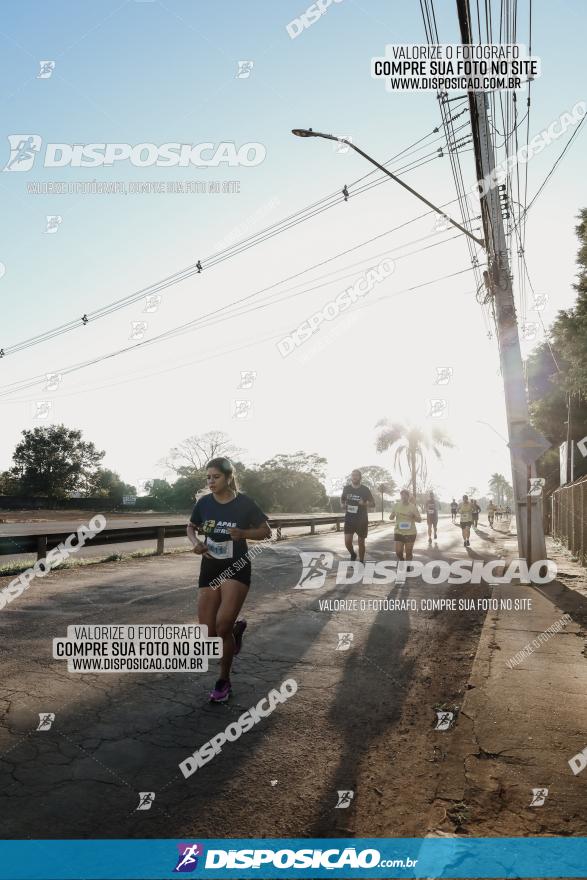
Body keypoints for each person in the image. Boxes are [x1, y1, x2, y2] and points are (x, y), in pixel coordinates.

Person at [187, 458, 271, 703]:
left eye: (216, 477)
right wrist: (196, 543)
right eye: (208, 477)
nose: (211, 481)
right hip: (210, 568)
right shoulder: (204, 503)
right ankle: (236, 631)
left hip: (236, 567)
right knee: (208, 633)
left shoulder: (244, 504)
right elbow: (191, 527)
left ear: (229, 477)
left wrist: (244, 533)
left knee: (221, 626)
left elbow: (266, 531)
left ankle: (223, 681)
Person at [341, 470, 375, 562]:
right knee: (347, 542)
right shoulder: (346, 489)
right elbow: (343, 500)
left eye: (356, 475)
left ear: (360, 477)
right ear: (351, 477)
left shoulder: (365, 489)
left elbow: (373, 504)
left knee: (361, 542)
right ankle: (352, 553)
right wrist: (343, 505)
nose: (354, 477)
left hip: (361, 519)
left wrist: (364, 503)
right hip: (349, 519)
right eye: (353, 475)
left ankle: (361, 561)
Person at [389, 489, 421, 561]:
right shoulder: (396, 505)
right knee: (398, 551)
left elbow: (419, 520)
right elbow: (391, 518)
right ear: (401, 496)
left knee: (408, 552)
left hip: (410, 533)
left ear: (408, 497)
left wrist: (413, 516)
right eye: (402, 495)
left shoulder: (413, 507)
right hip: (399, 532)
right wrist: (393, 514)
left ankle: (408, 566)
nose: (403, 497)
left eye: (405, 495)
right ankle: (401, 559)